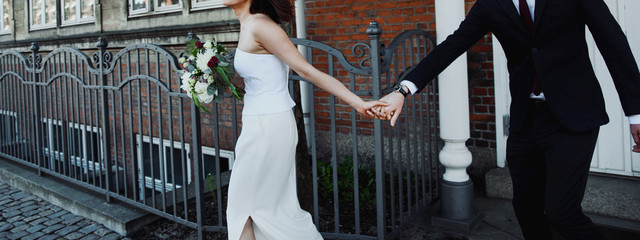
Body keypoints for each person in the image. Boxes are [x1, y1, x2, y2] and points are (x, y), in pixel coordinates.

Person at [374, 0, 640, 239]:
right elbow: (453, 45)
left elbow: (613, 43)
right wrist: (403, 90)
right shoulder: (491, 4)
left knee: (562, 214)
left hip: (573, 116)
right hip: (526, 119)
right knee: (526, 209)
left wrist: (636, 114)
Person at [220, 0, 387, 239]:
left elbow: (308, 71)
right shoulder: (247, 23)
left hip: (269, 126)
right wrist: (213, 78)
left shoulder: (260, 25)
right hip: (258, 123)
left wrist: (358, 103)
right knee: (257, 209)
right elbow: (261, 80)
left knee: (249, 208)